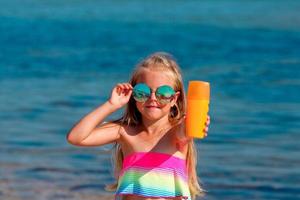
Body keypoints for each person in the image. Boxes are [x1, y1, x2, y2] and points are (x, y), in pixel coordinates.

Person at [67, 52, 210, 200]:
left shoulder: (176, 134)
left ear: (174, 99)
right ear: (133, 95)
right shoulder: (124, 132)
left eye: (163, 93)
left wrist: (193, 124)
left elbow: (185, 132)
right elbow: (76, 137)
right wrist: (111, 105)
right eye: (143, 92)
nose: (153, 98)